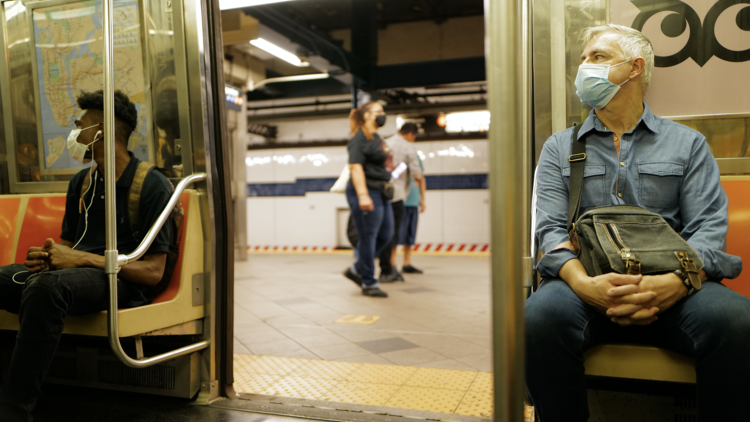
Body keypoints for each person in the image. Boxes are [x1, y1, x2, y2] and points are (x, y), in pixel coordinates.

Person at [526, 24, 750, 421]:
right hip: (585, 286)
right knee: (538, 318)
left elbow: (708, 228)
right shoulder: (561, 147)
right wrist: (584, 284)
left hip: (674, 285)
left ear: (634, 68)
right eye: (582, 59)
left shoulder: (687, 144)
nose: (584, 67)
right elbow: (550, 230)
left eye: (597, 57)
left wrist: (674, 282)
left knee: (737, 320)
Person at [0, 90, 173, 421]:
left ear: (102, 131)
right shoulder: (83, 182)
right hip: (75, 277)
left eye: (80, 126)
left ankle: (13, 411)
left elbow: (153, 272)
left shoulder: (151, 184)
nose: (74, 134)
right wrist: (48, 257)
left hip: (122, 282)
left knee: (46, 289)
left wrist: (85, 260)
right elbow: (67, 245)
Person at [342, 101, 393, 298]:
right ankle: (369, 282)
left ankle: (357, 269)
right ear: (366, 116)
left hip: (380, 191)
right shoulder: (359, 138)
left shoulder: (377, 137)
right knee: (368, 237)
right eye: (378, 111)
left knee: (386, 234)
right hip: (365, 191)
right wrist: (363, 195)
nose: (383, 114)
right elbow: (355, 167)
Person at [378, 123, 423, 283]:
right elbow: (417, 171)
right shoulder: (408, 147)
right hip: (396, 196)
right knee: (393, 233)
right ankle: (389, 268)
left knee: (384, 232)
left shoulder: (385, 142)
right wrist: (417, 180)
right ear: (410, 134)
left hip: (381, 194)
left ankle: (388, 267)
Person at [399, 152, 426, 274]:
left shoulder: (416, 159)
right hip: (401, 201)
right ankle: (390, 264)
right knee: (396, 235)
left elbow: (421, 177)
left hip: (414, 202)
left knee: (410, 235)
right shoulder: (398, 158)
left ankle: (407, 263)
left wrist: (423, 199)